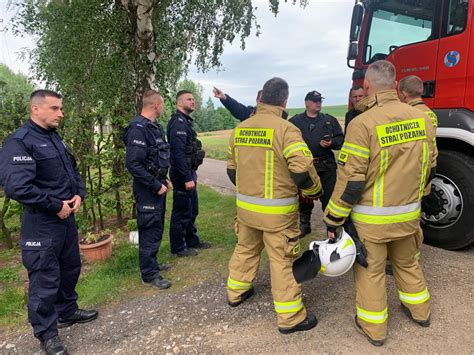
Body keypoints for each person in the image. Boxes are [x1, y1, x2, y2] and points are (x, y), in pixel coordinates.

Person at [323, 60, 437, 346]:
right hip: (409, 214)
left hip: (372, 222)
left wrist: (333, 219)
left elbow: (351, 180)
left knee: (371, 273)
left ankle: (374, 329)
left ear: (367, 86)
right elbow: (430, 166)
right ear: (396, 85)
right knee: (408, 264)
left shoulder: (362, 124)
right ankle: (420, 312)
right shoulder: (422, 118)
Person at [0, 90, 98, 355]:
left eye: (61, 108)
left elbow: (73, 171)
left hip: (66, 220)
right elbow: (17, 187)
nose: (61, 113)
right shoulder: (19, 142)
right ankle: (47, 334)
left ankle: (67, 311)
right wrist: (55, 206)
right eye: (55, 108)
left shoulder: (55, 138)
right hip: (41, 223)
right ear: (36, 109)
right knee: (44, 278)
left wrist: (79, 194)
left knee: (70, 267)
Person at [226, 77, 323, 334]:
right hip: (278, 215)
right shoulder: (286, 129)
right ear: (284, 101)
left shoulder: (241, 128)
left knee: (245, 248)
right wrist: (313, 191)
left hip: (246, 211)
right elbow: (302, 168)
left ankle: (237, 291)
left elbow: (231, 169)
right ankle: (290, 317)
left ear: (260, 98)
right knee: (282, 260)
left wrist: (249, 191)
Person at [124, 90, 172, 290]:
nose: (162, 108)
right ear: (156, 105)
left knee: (156, 227)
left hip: (157, 185)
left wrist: (164, 179)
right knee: (148, 229)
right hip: (147, 190)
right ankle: (149, 274)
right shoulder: (138, 129)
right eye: (162, 105)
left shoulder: (154, 128)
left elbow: (155, 158)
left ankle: (152, 264)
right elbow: (134, 164)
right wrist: (155, 184)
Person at [289, 90, 344, 237]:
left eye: (320, 100)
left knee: (329, 199)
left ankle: (331, 228)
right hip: (306, 167)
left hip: (326, 166)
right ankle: (305, 226)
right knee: (304, 199)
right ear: (307, 103)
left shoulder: (329, 120)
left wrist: (331, 142)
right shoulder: (295, 122)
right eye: (315, 100)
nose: (318, 103)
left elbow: (341, 141)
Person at [167, 90, 211, 257]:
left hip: (189, 172)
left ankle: (192, 240)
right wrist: (186, 178)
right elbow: (177, 153)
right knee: (182, 211)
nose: (193, 101)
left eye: (193, 99)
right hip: (182, 174)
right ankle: (178, 247)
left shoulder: (185, 122)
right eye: (189, 99)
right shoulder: (178, 123)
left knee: (192, 209)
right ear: (179, 103)